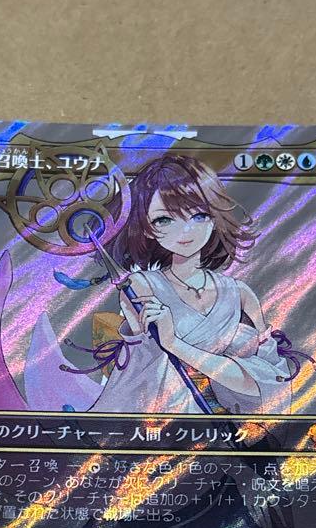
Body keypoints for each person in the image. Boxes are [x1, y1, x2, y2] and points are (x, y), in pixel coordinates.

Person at [84, 154, 293, 415]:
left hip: (227, 420)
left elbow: (271, 381)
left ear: (215, 218)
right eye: (164, 219)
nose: (185, 231)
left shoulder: (239, 293)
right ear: (146, 228)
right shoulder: (140, 286)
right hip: (163, 417)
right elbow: (143, 376)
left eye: (199, 216)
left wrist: (174, 343)